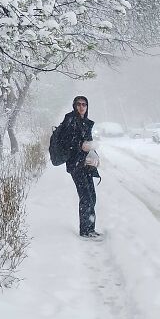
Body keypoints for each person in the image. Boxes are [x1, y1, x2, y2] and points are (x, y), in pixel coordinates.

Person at [57, 95, 101, 238]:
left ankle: (90, 229)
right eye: (79, 104)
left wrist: (94, 155)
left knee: (92, 197)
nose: (81, 107)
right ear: (74, 106)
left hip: (86, 164)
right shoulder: (70, 120)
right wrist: (80, 146)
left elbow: (89, 143)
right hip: (76, 165)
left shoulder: (86, 123)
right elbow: (65, 142)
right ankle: (85, 231)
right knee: (86, 198)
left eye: (84, 104)